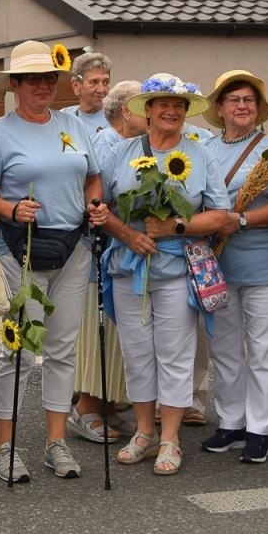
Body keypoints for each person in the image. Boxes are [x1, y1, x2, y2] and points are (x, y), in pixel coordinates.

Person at [0, 41, 100, 483]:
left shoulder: (73, 124)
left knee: (63, 349)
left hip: (74, 247)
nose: (43, 86)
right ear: (15, 84)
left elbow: (92, 175)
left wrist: (95, 204)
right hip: (22, 249)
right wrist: (10, 209)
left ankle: (55, 442)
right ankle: (5, 447)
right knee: (20, 350)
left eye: (49, 77)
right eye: (32, 79)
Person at [92, 73, 227, 476]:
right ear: (147, 110)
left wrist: (174, 226)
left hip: (177, 268)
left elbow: (220, 216)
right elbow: (99, 205)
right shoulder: (121, 152)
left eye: (179, 105)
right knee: (136, 353)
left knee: (175, 354)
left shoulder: (201, 153)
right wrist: (127, 234)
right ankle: (144, 431)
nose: (171, 111)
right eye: (163, 104)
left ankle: (170, 437)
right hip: (128, 264)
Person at [199, 71, 268, 464]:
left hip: (264, 262)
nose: (242, 106)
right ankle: (231, 422)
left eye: (249, 100)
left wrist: (240, 221)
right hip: (217, 264)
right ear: (220, 108)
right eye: (234, 99)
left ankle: (259, 428)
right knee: (224, 348)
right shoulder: (204, 149)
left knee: (263, 349)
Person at [66, 80, 142, 444]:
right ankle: (87, 408)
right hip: (101, 253)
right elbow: (95, 199)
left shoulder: (132, 143)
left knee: (116, 336)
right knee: (101, 333)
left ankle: (108, 404)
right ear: (126, 111)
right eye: (144, 106)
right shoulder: (107, 143)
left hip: (119, 255)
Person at [66, 52, 113, 143]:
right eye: (94, 82)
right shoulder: (64, 118)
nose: (101, 90)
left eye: (106, 82)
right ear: (76, 85)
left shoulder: (118, 120)